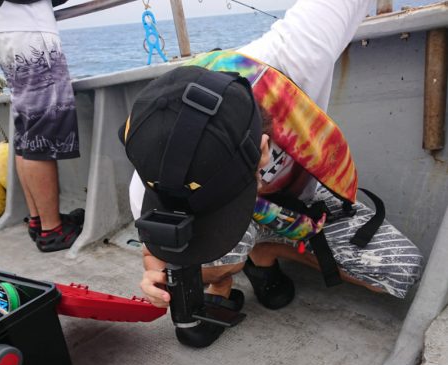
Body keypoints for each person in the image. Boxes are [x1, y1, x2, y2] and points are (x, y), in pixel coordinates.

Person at [122, 0, 423, 347]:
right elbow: (155, 254)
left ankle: (266, 253)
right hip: (253, 214)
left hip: (298, 202)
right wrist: (153, 269)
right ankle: (224, 283)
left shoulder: (298, 54)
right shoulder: (147, 187)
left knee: (401, 268)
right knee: (199, 267)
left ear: (263, 150)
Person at [0, 0, 84, 252]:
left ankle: (38, 221)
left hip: (9, 31)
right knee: (41, 131)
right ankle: (52, 229)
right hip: (29, 29)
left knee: (28, 134)